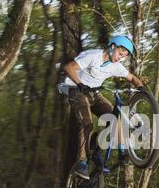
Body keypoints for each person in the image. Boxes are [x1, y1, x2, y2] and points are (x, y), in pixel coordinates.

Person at [62, 35, 146, 180]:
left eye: (124, 56)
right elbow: (68, 68)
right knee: (87, 123)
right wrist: (80, 84)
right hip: (76, 89)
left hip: (94, 93)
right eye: (120, 53)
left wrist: (143, 90)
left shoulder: (116, 66)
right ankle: (81, 162)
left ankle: (95, 141)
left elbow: (132, 78)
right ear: (112, 47)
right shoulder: (93, 56)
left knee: (116, 118)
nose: (121, 58)